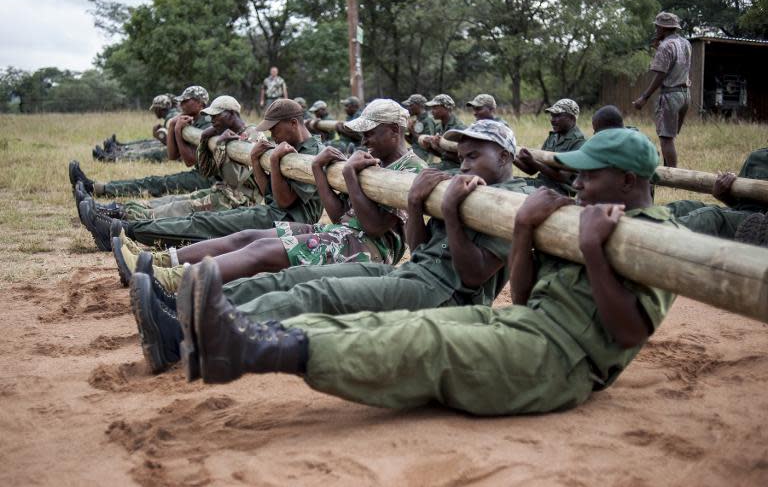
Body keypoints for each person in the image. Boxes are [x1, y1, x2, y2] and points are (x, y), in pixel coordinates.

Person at [168, 128, 677, 420]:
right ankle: (237, 333)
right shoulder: (576, 217)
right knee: (382, 325)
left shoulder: (657, 237)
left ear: (630, 180)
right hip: (524, 326)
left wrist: (589, 247)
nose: (580, 184)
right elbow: (522, 298)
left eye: (592, 175)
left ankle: (249, 347)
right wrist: (523, 232)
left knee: (426, 341)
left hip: (563, 361)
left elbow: (631, 332)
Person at [129, 120, 538, 373]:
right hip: (414, 275)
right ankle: (184, 308)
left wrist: (447, 210)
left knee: (318, 294)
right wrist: (416, 203)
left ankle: (190, 333)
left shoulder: (508, 201)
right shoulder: (471, 190)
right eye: (462, 158)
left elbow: (472, 274)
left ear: (504, 156)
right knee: (297, 281)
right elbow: (418, 246)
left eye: (474, 156)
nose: (464, 166)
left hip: (444, 297)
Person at [116, 98, 425, 298]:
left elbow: (373, 228)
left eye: (371, 133)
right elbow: (338, 214)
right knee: (249, 237)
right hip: (343, 233)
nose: (364, 139)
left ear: (396, 131)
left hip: (367, 250)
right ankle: (160, 263)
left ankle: (173, 281)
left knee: (262, 251)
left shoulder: (410, 170)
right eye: (364, 133)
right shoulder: (373, 160)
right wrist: (320, 171)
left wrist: (349, 178)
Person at [78, 99, 323, 251]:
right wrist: (259, 163)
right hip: (269, 212)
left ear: (293, 123)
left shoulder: (310, 154)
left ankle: (124, 230)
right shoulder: (289, 149)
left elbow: (284, 202)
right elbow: (267, 193)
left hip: (286, 222)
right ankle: (123, 225)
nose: (271, 135)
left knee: (201, 226)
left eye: (274, 129)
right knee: (199, 222)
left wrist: (274, 158)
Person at [88, 96, 265, 222]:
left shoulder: (253, 136)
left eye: (216, 115)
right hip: (223, 191)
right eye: (211, 116)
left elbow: (236, 180)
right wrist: (205, 140)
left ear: (232, 114)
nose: (212, 119)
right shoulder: (222, 133)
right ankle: (116, 208)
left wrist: (221, 146)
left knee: (178, 209)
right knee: (171, 201)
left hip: (241, 201)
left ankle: (120, 218)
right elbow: (206, 170)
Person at [67, 87, 215, 200]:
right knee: (152, 181)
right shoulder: (193, 121)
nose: (181, 104)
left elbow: (189, 161)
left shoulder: (207, 124)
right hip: (202, 174)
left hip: (210, 180)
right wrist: (172, 128)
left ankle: (97, 188)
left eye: (186, 100)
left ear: (200, 103)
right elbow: (172, 155)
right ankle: (97, 187)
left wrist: (176, 130)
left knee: (155, 184)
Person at [667, 148, 768, 241]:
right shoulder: (757, 157)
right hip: (746, 216)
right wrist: (723, 195)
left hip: (762, 225)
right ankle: (652, 221)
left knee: (708, 218)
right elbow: (739, 205)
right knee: (683, 206)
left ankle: (658, 237)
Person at [632, 12, 691, 168]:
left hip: (670, 95)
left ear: (663, 28)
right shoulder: (686, 43)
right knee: (670, 136)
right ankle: (668, 169)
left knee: (666, 138)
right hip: (685, 94)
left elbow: (661, 74)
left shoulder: (665, 46)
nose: (655, 28)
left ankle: (673, 177)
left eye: (657, 26)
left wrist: (644, 97)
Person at [514, 98, 585, 195]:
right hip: (540, 184)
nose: (552, 120)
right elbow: (531, 170)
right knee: (502, 183)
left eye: (557, 116)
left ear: (572, 118)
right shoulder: (553, 137)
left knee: (511, 191)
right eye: (552, 116)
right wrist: (511, 155)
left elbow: (562, 177)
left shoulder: (580, 142)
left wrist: (532, 161)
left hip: (557, 191)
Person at [92, 94, 180, 163]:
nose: (154, 112)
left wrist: (158, 136)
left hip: (180, 154)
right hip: (181, 151)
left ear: (159, 109)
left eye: (155, 109)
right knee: (149, 143)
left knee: (151, 153)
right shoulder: (173, 115)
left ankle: (112, 158)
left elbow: (173, 144)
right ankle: (119, 149)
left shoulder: (170, 119)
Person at [421, 94, 466, 171]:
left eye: (435, 108)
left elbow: (462, 158)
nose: (432, 111)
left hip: (458, 167)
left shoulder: (459, 128)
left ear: (446, 108)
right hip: (446, 164)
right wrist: (429, 147)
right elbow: (442, 156)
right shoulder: (439, 127)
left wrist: (438, 148)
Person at [401, 94, 436, 161]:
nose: (408, 108)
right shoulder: (416, 120)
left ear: (418, 105)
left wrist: (412, 131)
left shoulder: (428, 120)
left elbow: (428, 143)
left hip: (425, 155)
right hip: (415, 151)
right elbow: (413, 142)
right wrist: (402, 133)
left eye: (411, 105)